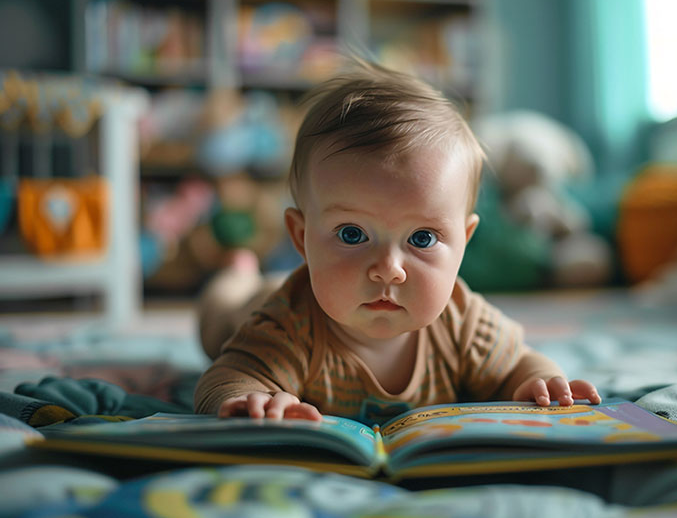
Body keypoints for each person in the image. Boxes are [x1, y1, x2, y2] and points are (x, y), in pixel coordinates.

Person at [194, 60, 601, 425]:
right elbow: (225, 379)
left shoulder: (464, 325)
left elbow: (519, 362)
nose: (389, 268)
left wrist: (539, 381)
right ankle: (237, 274)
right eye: (352, 234)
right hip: (249, 306)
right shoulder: (285, 326)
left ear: (464, 242)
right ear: (302, 237)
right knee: (221, 312)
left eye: (422, 238)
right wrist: (251, 398)